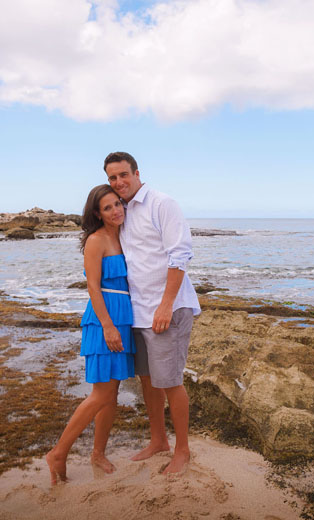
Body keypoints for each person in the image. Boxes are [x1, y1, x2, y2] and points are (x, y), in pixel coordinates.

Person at [103, 151, 201, 476]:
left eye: (123, 175)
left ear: (136, 173)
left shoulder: (162, 203)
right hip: (138, 311)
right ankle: (158, 440)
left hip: (167, 309)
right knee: (148, 380)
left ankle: (183, 450)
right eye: (112, 177)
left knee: (170, 381)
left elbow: (180, 254)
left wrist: (166, 304)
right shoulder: (120, 210)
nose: (119, 182)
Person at [45, 184, 135, 485]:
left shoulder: (123, 235)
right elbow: (93, 287)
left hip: (124, 317)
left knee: (112, 393)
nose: (116, 210)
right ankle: (58, 453)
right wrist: (108, 325)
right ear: (97, 214)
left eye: (117, 203)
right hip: (104, 319)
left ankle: (97, 453)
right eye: (108, 207)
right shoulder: (96, 241)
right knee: (101, 394)